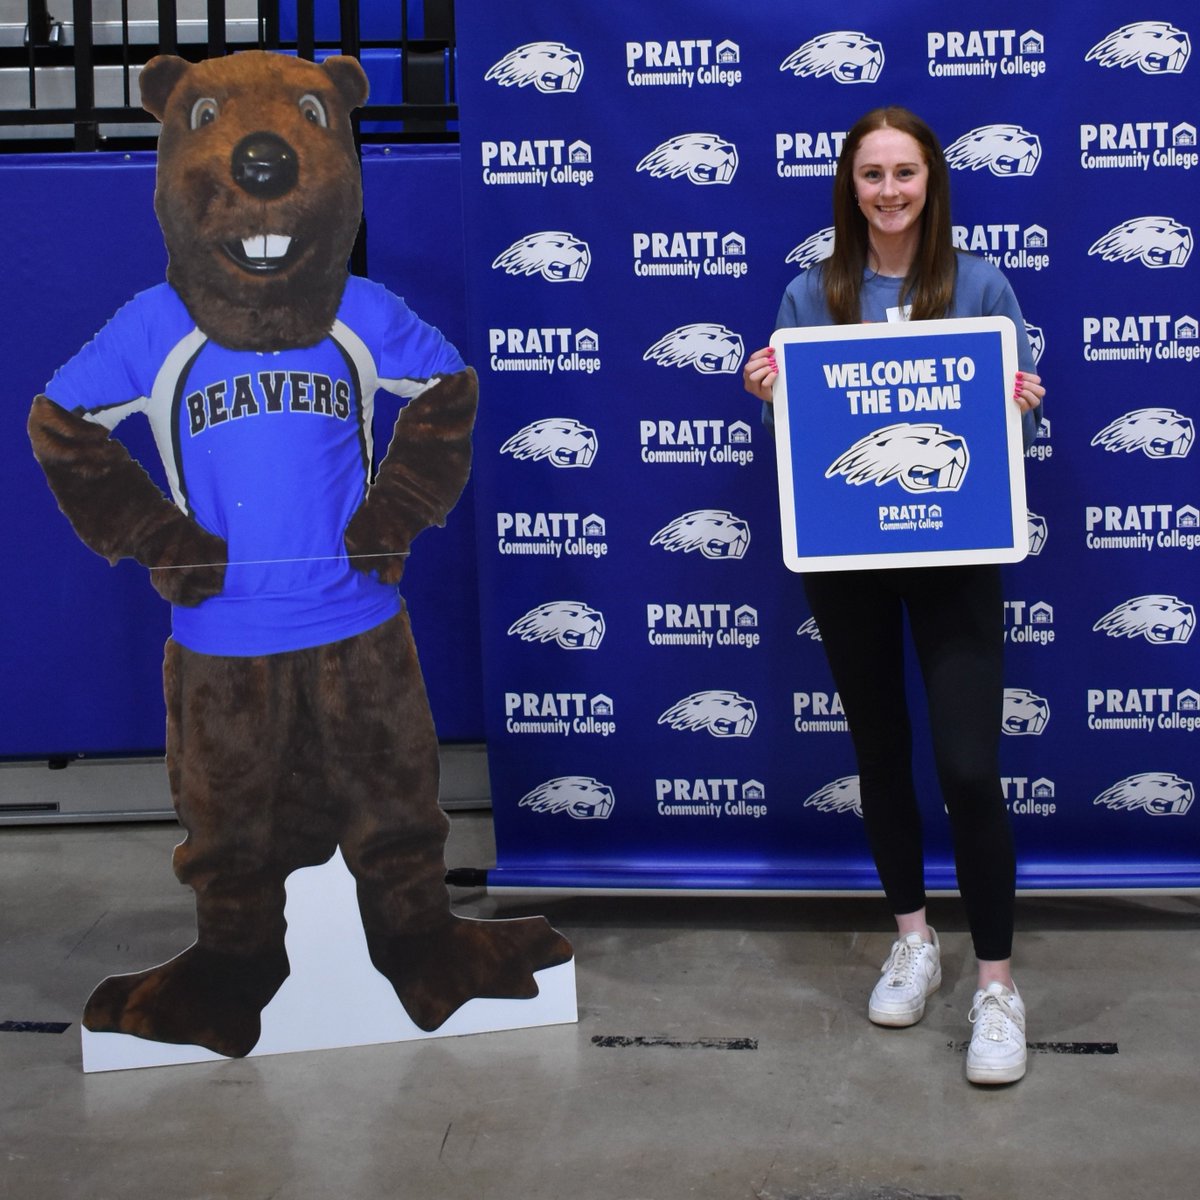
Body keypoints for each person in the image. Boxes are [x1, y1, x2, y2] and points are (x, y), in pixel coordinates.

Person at [743, 106, 1044, 1085]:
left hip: (956, 562)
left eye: (904, 173)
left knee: (966, 770)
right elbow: (804, 446)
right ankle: (914, 938)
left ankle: (997, 983)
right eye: (871, 174)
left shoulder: (982, 285)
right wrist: (769, 389)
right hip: (851, 567)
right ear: (850, 187)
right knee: (881, 751)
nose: (888, 190)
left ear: (930, 183)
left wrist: (1018, 401)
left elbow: (1003, 446)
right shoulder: (809, 293)